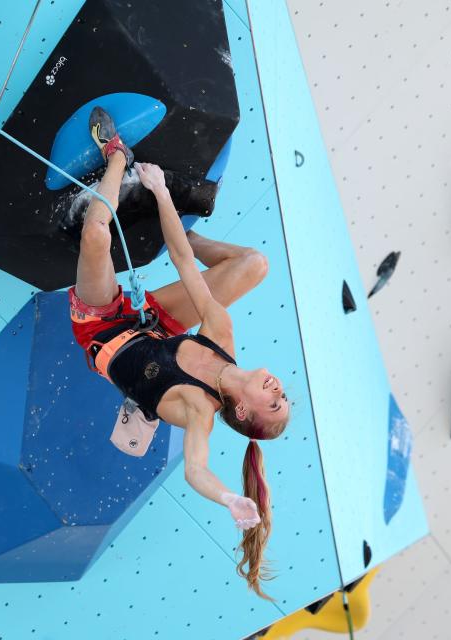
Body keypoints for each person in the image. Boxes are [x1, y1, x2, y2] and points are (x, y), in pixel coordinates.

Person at [68, 107, 288, 599]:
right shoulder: (223, 336)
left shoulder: (198, 411)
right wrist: (163, 192)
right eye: (284, 394)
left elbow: (195, 470)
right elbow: (184, 264)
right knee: (254, 265)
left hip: (103, 329)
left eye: (274, 402)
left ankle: (116, 159)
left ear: (244, 410)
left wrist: (230, 498)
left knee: (96, 236)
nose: (278, 388)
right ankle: (177, 216)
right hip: (155, 326)